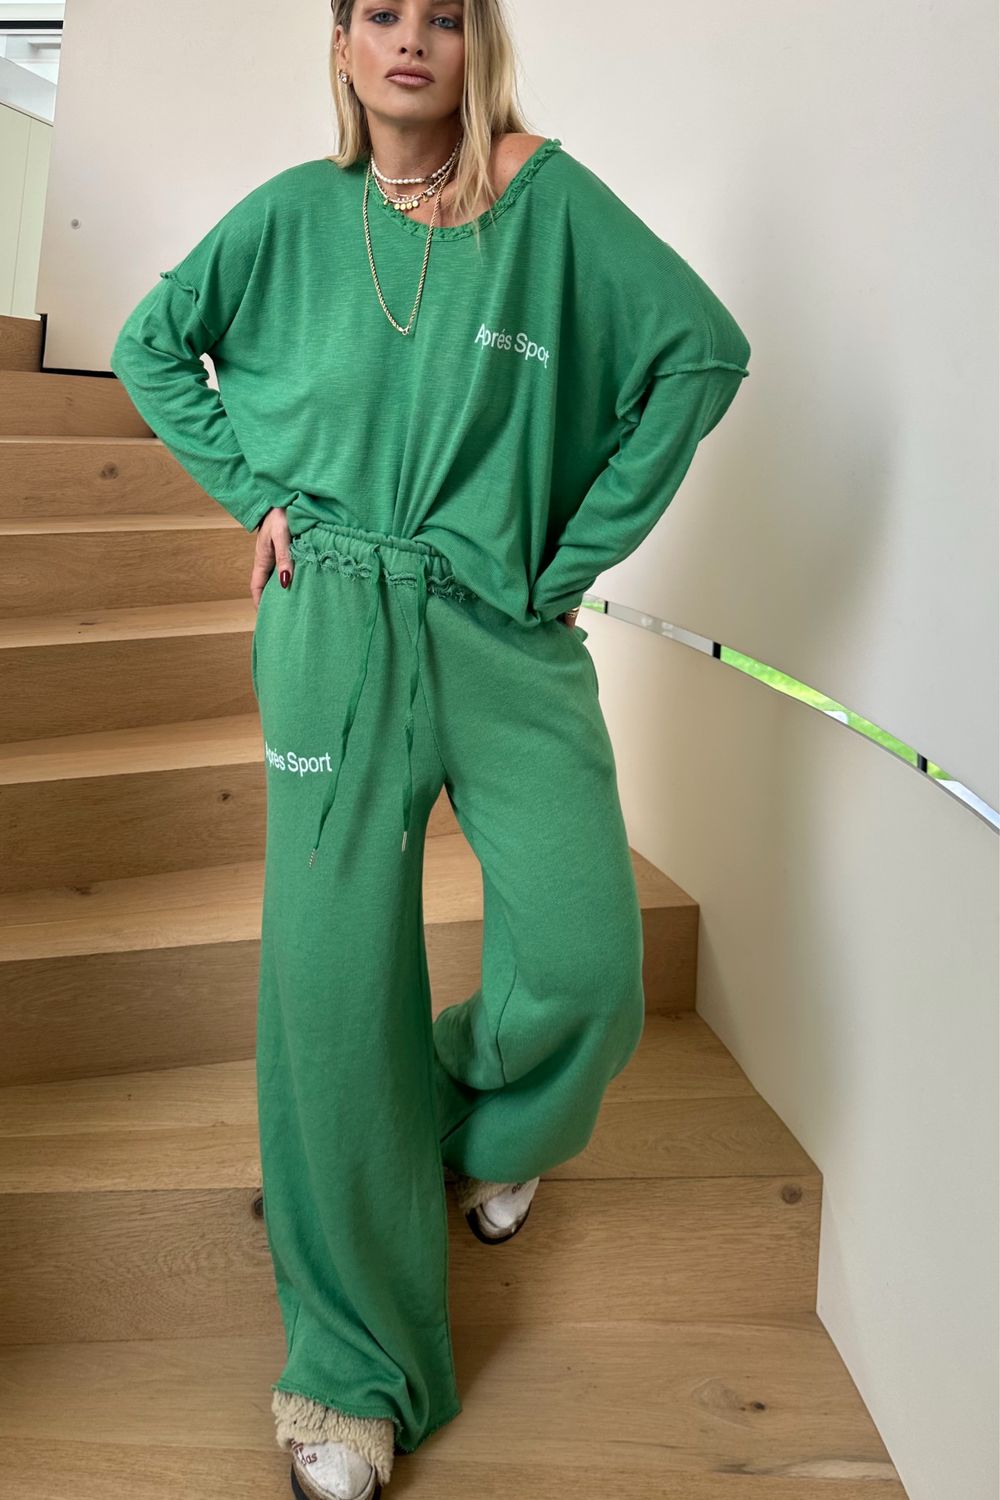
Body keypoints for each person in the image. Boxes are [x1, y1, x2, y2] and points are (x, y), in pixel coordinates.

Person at [109, 2, 752, 1495]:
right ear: (342, 45)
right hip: (334, 617)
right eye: (381, 15)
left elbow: (700, 355)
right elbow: (150, 345)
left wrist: (568, 555)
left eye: (443, 17)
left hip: (506, 633)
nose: (411, 40)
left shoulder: (547, 201)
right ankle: (349, 1374)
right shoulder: (292, 215)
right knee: (334, 991)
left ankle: (466, 1116)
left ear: (479, 45)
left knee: (585, 959)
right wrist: (255, 493)